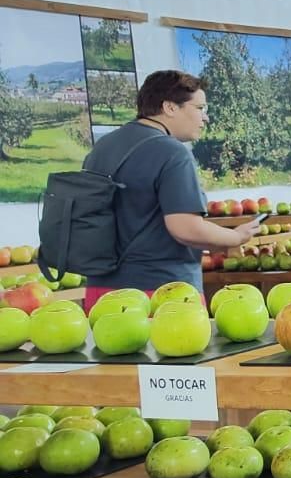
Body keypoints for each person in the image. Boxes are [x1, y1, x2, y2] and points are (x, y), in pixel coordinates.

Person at [80, 71, 259, 307]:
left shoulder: (103, 147)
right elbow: (186, 229)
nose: (205, 118)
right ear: (170, 107)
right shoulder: (172, 151)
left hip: (100, 292)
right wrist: (236, 236)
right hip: (161, 294)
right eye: (200, 108)